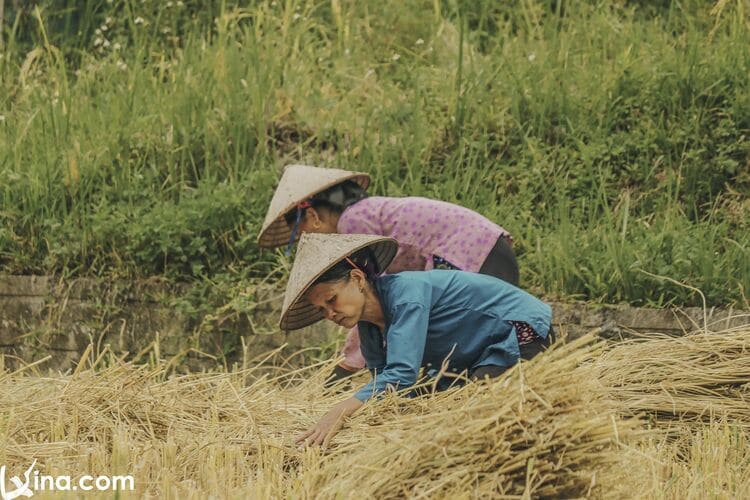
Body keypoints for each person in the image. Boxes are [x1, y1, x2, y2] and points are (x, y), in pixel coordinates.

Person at [279, 233, 553, 447]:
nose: (330, 313)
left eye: (331, 300)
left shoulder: (407, 295)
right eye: (322, 310)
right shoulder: (369, 327)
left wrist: (339, 411)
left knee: (471, 413)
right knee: (427, 402)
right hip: (469, 358)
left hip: (516, 333)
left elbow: (402, 375)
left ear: (357, 278)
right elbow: (382, 381)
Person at [260, 164, 520, 380]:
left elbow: (368, 298)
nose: (310, 243)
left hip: (468, 252)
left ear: (314, 217)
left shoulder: (352, 222)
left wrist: (348, 364)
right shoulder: (367, 212)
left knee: (490, 330)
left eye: (303, 235)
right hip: (486, 246)